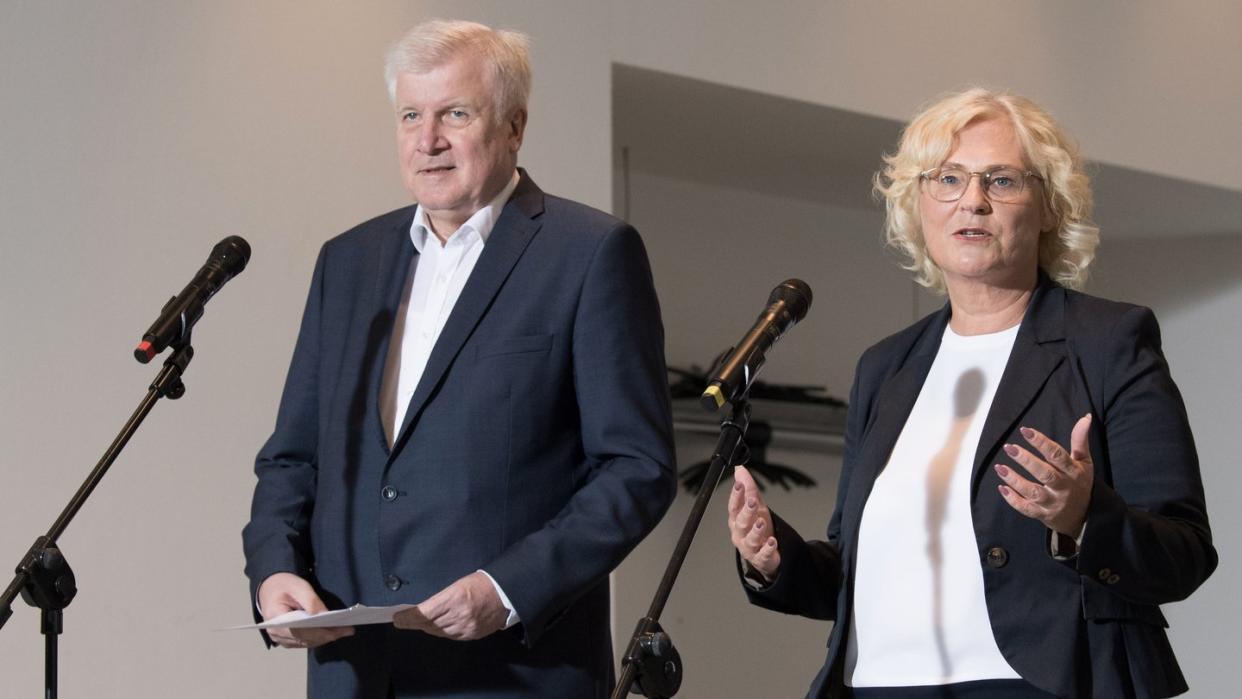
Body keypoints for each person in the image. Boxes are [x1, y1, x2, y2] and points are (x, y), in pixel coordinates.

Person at [729, 88, 1216, 698]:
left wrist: (1084, 518)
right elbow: (853, 574)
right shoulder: (887, 367)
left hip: (1040, 683)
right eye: (949, 178)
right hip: (879, 687)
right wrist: (777, 559)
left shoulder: (1108, 341)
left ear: (1048, 208)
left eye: (1002, 180)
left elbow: (1185, 553)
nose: (974, 201)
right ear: (919, 205)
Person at [242, 19, 676, 697]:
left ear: (513, 126)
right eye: (411, 115)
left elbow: (637, 468)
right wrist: (273, 573)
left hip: (510, 672)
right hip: (354, 673)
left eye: (455, 114)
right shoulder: (347, 263)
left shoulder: (590, 254)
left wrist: (508, 588)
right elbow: (291, 457)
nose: (428, 139)